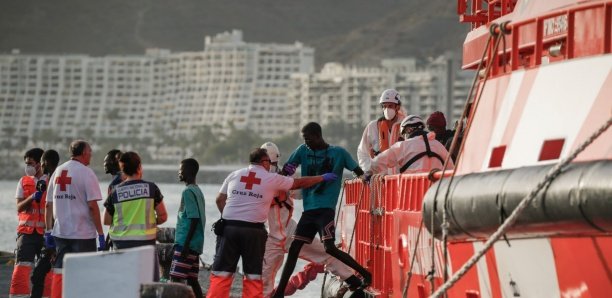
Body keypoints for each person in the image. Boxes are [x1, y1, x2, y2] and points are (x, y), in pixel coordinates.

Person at [207, 148, 336, 298]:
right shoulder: (269, 178)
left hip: (229, 229)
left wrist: (228, 217)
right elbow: (298, 183)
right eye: (268, 162)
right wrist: (322, 178)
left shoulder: (235, 174)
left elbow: (219, 200)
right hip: (253, 232)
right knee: (253, 275)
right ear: (264, 162)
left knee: (221, 273)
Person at [273, 122, 371, 298]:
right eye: (304, 139)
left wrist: (366, 178)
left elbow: (358, 171)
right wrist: (286, 170)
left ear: (318, 136)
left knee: (330, 248)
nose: (306, 142)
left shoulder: (338, 153)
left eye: (308, 138)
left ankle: (365, 274)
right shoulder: (303, 150)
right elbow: (287, 171)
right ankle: (279, 293)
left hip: (325, 210)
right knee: (294, 248)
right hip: (309, 211)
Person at [45, 140, 105, 298]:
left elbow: (48, 205)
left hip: (61, 233)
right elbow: (93, 206)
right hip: (83, 234)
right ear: (84, 153)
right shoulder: (86, 173)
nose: (91, 155)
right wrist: (100, 234)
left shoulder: (58, 171)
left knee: (59, 270)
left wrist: (48, 231)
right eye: (90, 152)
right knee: (85, 272)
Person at [103, 151, 168, 280]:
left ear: (123, 170)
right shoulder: (151, 188)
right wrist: (150, 221)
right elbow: (163, 216)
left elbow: (106, 220)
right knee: (148, 285)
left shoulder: (115, 192)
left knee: (123, 284)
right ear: (139, 167)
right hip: (145, 245)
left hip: (121, 246)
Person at [10, 148, 47, 298]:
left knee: (46, 271)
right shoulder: (23, 181)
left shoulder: (51, 180)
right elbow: (19, 207)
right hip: (26, 233)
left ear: (39, 164)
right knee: (21, 268)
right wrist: (32, 197)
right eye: (26, 164)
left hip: (46, 233)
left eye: (30, 163)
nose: (28, 167)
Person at [169, 158, 206, 298]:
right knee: (192, 279)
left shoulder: (187, 192)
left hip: (186, 244)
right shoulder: (198, 190)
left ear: (189, 172)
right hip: (195, 244)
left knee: (175, 278)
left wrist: (185, 245)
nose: (179, 172)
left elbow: (194, 218)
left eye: (181, 169)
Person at [369, 115, 454, 175]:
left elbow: (376, 163)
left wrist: (373, 173)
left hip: (410, 196)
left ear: (407, 131)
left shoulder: (403, 145)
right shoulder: (439, 145)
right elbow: (451, 169)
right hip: (434, 194)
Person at [30, 149, 60, 298]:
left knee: (39, 274)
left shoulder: (56, 180)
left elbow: (51, 207)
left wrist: (50, 235)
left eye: (41, 164)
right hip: (55, 235)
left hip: (55, 236)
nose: (41, 168)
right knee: (41, 274)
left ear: (46, 163)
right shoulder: (52, 179)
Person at [357, 89, 406, 174]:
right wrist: (368, 169)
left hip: (400, 179)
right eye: (384, 106)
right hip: (379, 180)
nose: (387, 109)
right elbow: (362, 152)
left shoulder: (405, 126)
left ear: (397, 107)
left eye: (390, 106)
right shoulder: (373, 127)